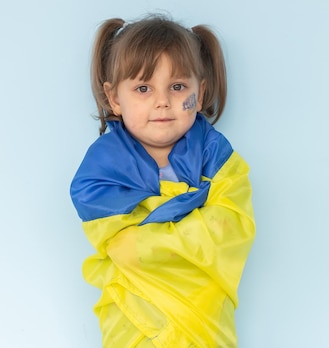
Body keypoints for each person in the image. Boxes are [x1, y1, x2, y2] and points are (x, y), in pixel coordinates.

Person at [70, 14, 255, 348]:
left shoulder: (218, 158)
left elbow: (231, 227)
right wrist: (189, 210)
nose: (161, 101)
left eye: (178, 87)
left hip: (202, 310)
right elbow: (119, 245)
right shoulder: (102, 166)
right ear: (114, 99)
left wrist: (152, 232)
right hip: (133, 313)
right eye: (143, 88)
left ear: (199, 95)